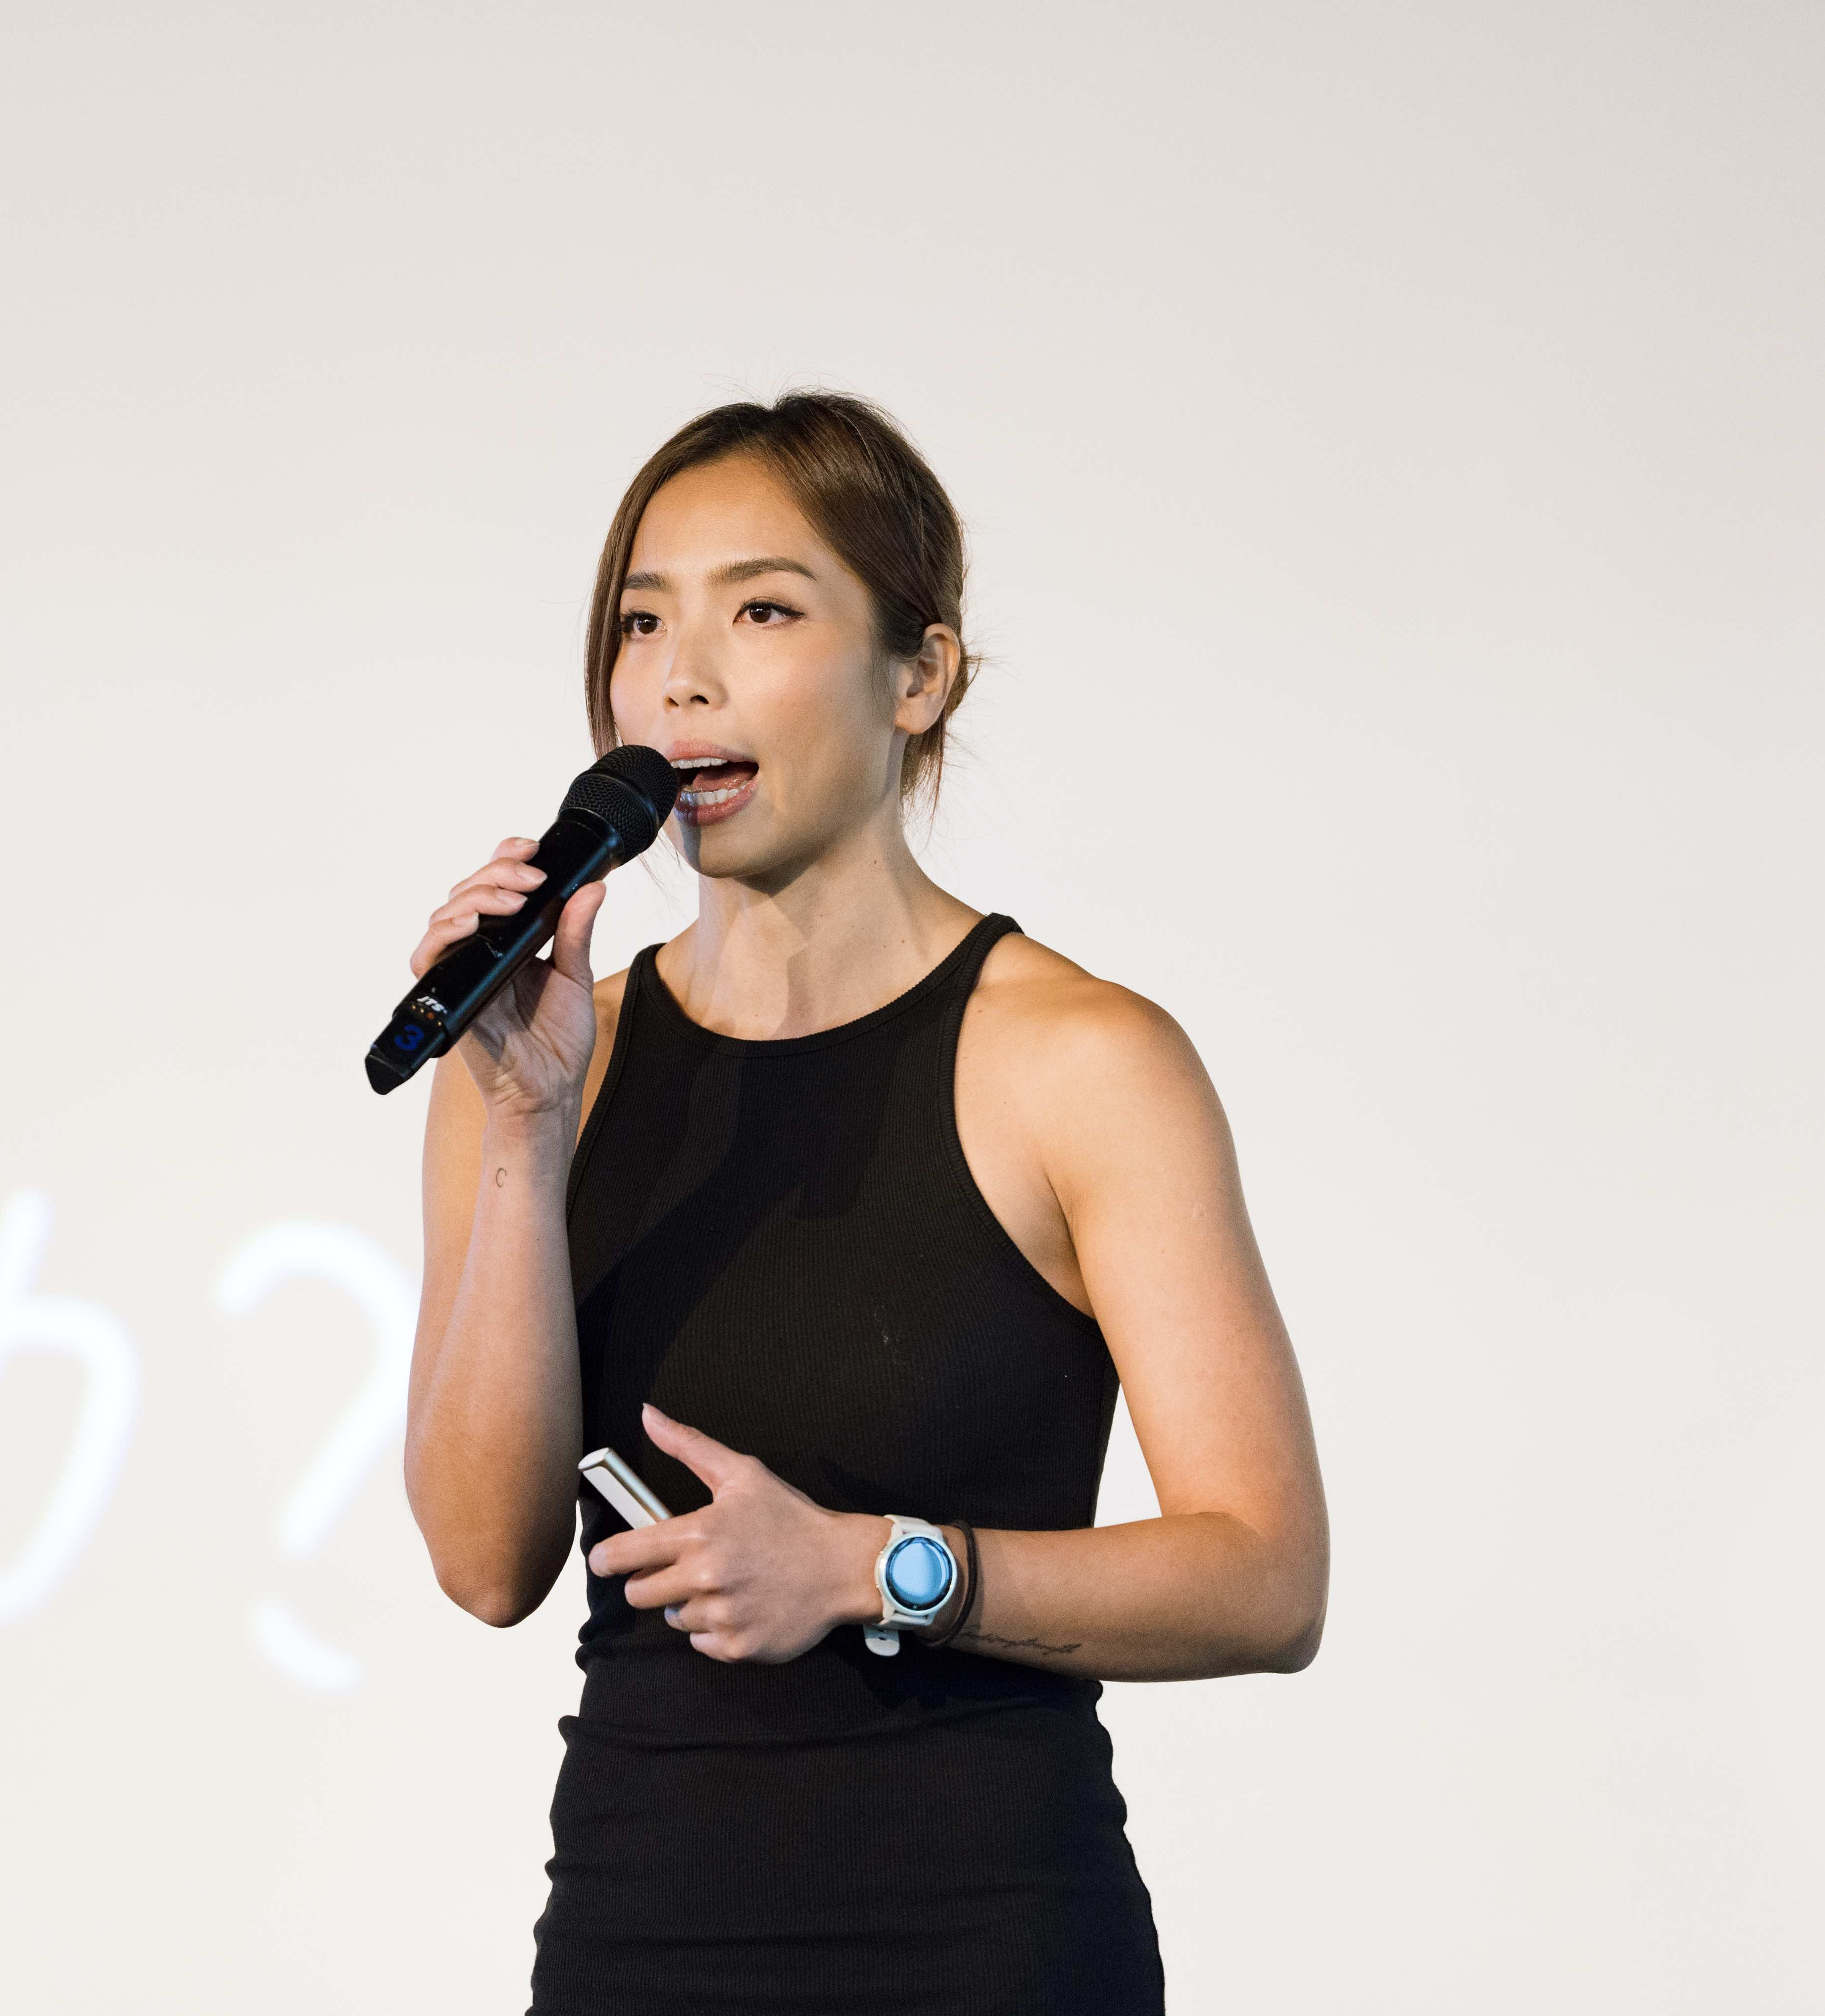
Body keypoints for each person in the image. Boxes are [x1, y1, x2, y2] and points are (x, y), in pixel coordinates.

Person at [402, 392, 1328, 2015]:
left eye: (761, 610)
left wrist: (871, 1567)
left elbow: (1263, 1577)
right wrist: (525, 1126)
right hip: (638, 1944)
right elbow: (486, 1564)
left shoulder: (1080, 1062)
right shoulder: (539, 1063)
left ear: (920, 675)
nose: (678, 677)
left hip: (992, 1948)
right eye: (640, 622)